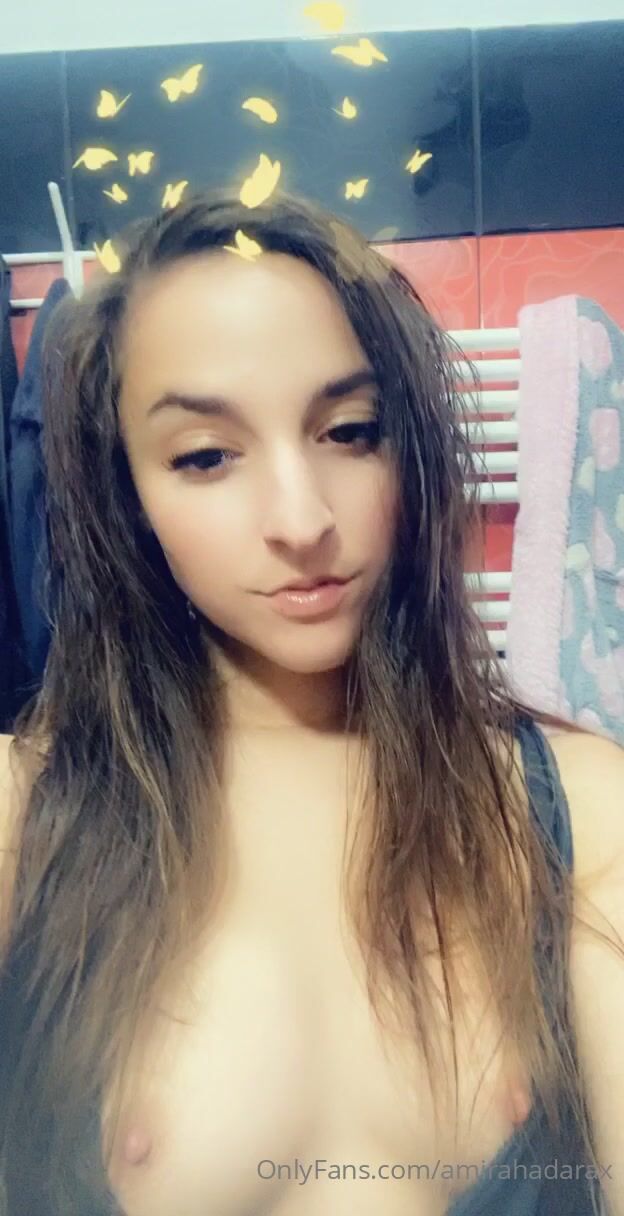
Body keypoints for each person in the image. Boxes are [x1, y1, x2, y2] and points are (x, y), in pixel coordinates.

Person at [0, 187, 622, 1216]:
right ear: (127, 496)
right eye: (206, 455)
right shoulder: (24, 820)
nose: (301, 520)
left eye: (349, 431)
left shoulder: (582, 810)